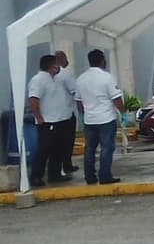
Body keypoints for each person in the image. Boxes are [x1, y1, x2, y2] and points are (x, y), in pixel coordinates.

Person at [74, 49, 125, 185]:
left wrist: (84, 114)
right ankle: (105, 176)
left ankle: (89, 177)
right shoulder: (107, 77)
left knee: (89, 149)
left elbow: (78, 101)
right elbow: (116, 98)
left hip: (89, 120)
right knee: (106, 148)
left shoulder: (81, 79)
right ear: (103, 61)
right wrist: (123, 112)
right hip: (106, 119)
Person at [26, 54, 75, 186]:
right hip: (48, 121)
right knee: (44, 149)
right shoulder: (38, 80)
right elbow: (33, 100)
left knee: (58, 149)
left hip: (61, 119)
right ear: (50, 66)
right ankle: (36, 176)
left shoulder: (56, 79)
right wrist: (39, 117)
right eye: (56, 64)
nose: (58, 67)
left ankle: (55, 174)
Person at [53, 50, 79, 175]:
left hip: (54, 115)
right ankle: (67, 165)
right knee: (68, 141)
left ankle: (60, 167)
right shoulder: (66, 74)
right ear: (62, 59)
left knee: (58, 143)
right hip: (68, 112)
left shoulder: (50, 75)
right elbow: (75, 91)